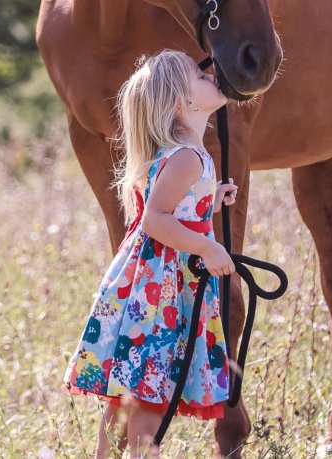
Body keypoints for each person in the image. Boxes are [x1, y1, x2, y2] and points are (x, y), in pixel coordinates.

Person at [64, 50, 239, 458]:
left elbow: (173, 208)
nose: (211, 73)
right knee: (150, 390)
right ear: (183, 102)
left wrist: (209, 201)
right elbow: (156, 220)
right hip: (162, 288)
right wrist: (207, 245)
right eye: (199, 74)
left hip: (151, 282)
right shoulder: (187, 158)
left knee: (137, 385)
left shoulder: (183, 154)